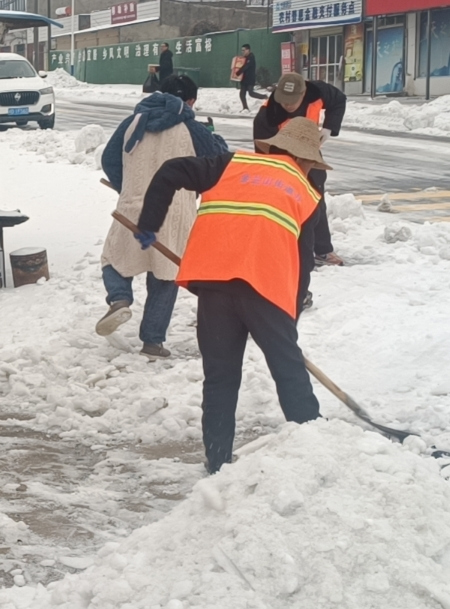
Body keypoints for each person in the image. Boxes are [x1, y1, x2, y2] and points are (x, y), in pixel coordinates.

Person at [135, 122, 329, 473]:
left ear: (273, 148)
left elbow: (171, 171)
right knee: (289, 372)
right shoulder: (307, 193)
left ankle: (217, 461)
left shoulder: (229, 164)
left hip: (214, 285)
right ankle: (314, 453)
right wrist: (289, 324)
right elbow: (302, 267)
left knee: (221, 377)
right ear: (306, 160)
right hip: (266, 290)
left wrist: (150, 222)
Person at [98, 74, 227, 358]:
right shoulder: (193, 129)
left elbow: (109, 159)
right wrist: (215, 139)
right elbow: (217, 164)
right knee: (166, 275)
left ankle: (119, 298)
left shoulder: (132, 123)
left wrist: (127, 184)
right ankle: (152, 342)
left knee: (114, 258)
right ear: (191, 101)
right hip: (176, 210)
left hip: (132, 206)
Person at [254, 73, 347, 298]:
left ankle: (322, 250)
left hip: (307, 151)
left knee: (315, 197)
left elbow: (339, 100)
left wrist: (328, 128)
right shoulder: (268, 114)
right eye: (283, 100)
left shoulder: (317, 91)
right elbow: (263, 150)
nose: (286, 105)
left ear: (303, 93)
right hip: (281, 156)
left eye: (292, 101)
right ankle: (282, 249)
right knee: (285, 202)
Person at [232, 44, 259, 110]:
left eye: (244, 50)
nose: (242, 52)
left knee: (251, 93)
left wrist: (238, 73)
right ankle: (245, 108)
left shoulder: (251, 57)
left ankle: (265, 97)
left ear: (248, 50)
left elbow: (245, 67)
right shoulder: (244, 58)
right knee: (242, 94)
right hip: (244, 79)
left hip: (250, 79)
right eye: (242, 50)